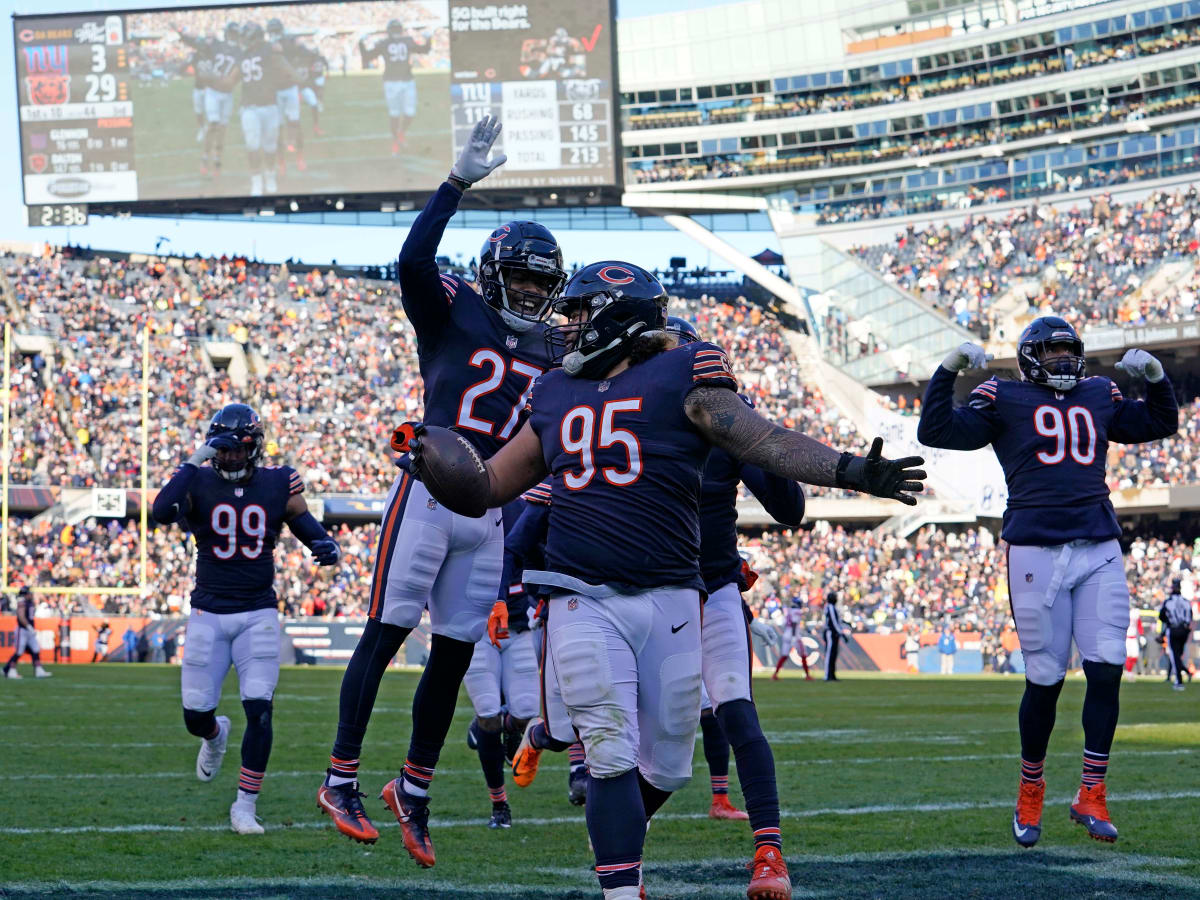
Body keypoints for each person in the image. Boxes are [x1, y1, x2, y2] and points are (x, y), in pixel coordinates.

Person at [406, 260, 925, 900]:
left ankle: (617, 842)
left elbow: (763, 442)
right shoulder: (553, 393)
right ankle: (623, 888)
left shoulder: (686, 372)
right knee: (609, 750)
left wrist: (849, 470)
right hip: (581, 595)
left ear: (616, 315)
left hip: (677, 595)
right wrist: (434, 459)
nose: (567, 328)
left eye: (578, 313)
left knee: (672, 763)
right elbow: (488, 485)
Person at [316, 116, 567, 866]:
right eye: (519, 276)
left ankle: (414, 791)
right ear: (493, 274)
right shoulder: (454, 305)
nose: (528, 290)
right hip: (429, 491)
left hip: (490, 510)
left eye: (540, 282)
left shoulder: (558, 347)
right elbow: (412, 260)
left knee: (454, 656)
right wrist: (455, 184)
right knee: (388, 631)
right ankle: (340, 777)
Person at [917, 318, 1178, 848]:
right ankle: (1031, 786)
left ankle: (1092, 790)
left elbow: (1159, 422)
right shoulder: (1003, 396)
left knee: (1106, 670)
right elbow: (936, 431)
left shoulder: (1099, 392)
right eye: (1053, 350)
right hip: (1035, 548)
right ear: (1030, 355)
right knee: (1046, 678)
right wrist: (946, 373)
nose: (1064, 359)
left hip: (1099, 545)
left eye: (1070, 350)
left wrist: (1155, 378)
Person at [152, 403, 341, 835]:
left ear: (254, 447)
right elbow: (162, 510)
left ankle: (245, 805)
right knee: (195, 715)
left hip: (257, 612)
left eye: (239, 449)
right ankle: (215, 735)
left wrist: (322, 543)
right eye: (223, 450)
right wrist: (195, 458)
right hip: (208, 612)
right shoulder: (197, 479)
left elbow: (303, 522)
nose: (231, 457)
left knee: (260, 708)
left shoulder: (278, 482)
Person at [462, 497, 539, 829]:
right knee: (489, 713)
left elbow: (539, 557)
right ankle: (499, 804)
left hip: (518, 625)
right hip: (477, 628)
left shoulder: (521, 507)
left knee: (525, 712)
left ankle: (500, 730)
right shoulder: (461, 505)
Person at [359, 19, 427, 155]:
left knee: (405, 113)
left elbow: (366, 56)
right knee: (398, 114)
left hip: (400, 81)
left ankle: (400, 134)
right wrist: (429, 38)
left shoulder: (385, 43)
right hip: (397, 81)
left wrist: (361, 42)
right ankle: (396, 141)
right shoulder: (404, 41)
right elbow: (425, 49)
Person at [4, 587, 51, 679]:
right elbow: (21, 616)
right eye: (29, 592)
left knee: (36, 649)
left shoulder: (29, 602)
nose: (31, 594)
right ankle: (10, 670)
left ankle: (39, 670)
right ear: (25, 594)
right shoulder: (22, 603)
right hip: (22, 630)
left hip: (29, 630)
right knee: (19, 651)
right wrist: (28, 626)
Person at [1160, 580, 1193, 691]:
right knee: (1178, 655)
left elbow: (1162, 616)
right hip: (1184, 630)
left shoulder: (1168, 602)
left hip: (1173, 629)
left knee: (1175, 656)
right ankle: (1185, 673)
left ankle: (1179, 682)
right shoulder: (1186, 602)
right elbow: (1190, 617)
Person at [772, 603, 812, 680]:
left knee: (784, 655)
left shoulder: (787, 612)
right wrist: (794, 636)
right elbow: (794, 623)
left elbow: (784, 624)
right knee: (803, 655)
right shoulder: (796, 611)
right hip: (794, 636)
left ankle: (775, 674)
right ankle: (807, 675)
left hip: (786, 634)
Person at [822, 592, 850, 681]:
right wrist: (841, 633)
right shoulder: (830, 607)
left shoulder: (832, 608)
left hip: (834, 633)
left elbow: (837, 620)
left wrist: (845, 623)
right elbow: (834, 622)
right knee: (829, 654)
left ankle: (832, 675)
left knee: (833, 654)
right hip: (830, 633)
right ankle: (827, 675)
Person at [1123, 604, 1144, 682]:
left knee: (1135, 656)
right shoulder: (1123, 613)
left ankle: (1129, 671)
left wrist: (1141, 635)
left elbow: (1139, 625)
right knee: (1128, 656)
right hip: (1127, 638)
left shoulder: (1135, 613)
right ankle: (1129, 672)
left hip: (1134, 637)